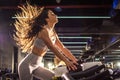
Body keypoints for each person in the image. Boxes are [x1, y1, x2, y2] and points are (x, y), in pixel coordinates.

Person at [13, 2, 78, 80]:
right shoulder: (43, 30)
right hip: (27, 65)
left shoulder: (53, 32)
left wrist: (74, 60)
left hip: (37, 65)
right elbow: (52, 47)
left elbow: (62, 48)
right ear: (47, 19)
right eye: (52, 14)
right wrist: (66, 61)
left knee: (55, 78)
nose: (55, 15)